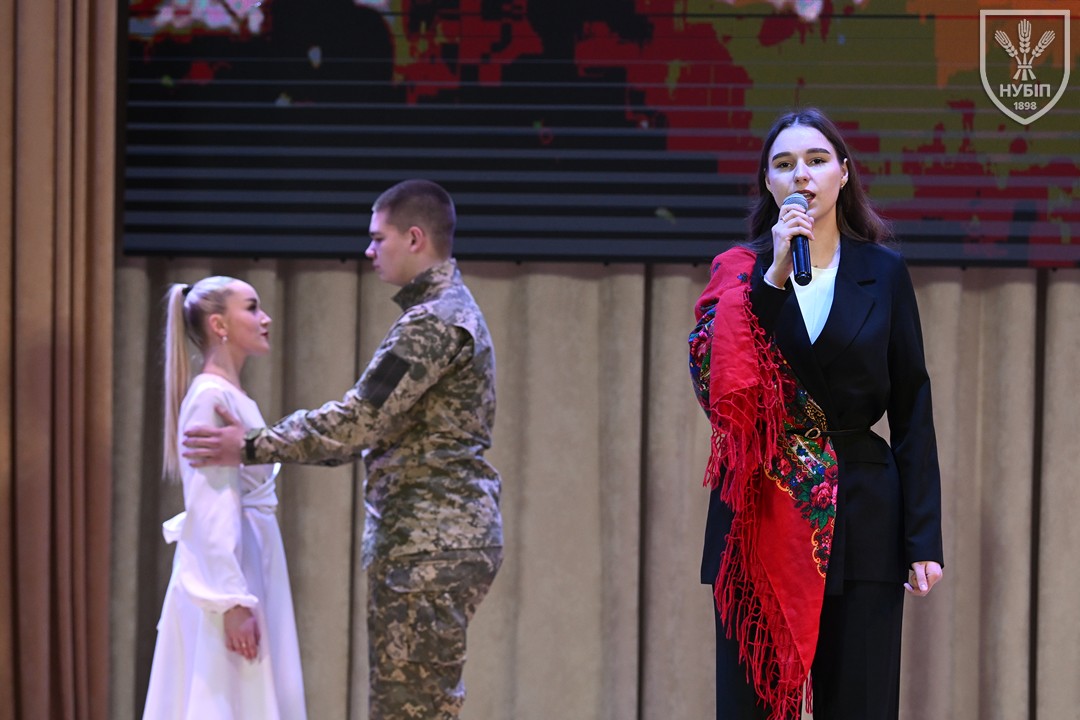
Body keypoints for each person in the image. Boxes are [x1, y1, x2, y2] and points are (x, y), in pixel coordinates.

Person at [181, 179, 504, 720]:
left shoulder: (433, 321)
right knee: (425, 706)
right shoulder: (445, 312)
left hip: (428, 541)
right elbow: (368, 429)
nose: (369, 251)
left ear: (415, 238)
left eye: (378, 239)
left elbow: (357, 423)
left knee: (410, 711)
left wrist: (252, 444)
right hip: (438, 536)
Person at [688, 108, 944, 720]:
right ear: (768, 184)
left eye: (816, 159)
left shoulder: (883, 272)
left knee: (861, 701)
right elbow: (713, 383)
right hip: (760, 509)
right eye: (783, 164)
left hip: (863, 508)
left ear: (843, 173)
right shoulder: (739, 272)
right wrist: (774, 277)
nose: (800, 174)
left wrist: (922, 538)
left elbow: (912, 404)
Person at [143, 276, 307, 719]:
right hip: (229, 574)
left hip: (252, 557)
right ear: (219, 324)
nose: (265, 318)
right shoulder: (210, 397)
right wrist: (230, 601)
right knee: (227, 695)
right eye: (251, 308)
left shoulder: (230, 395)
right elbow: (211, 504)